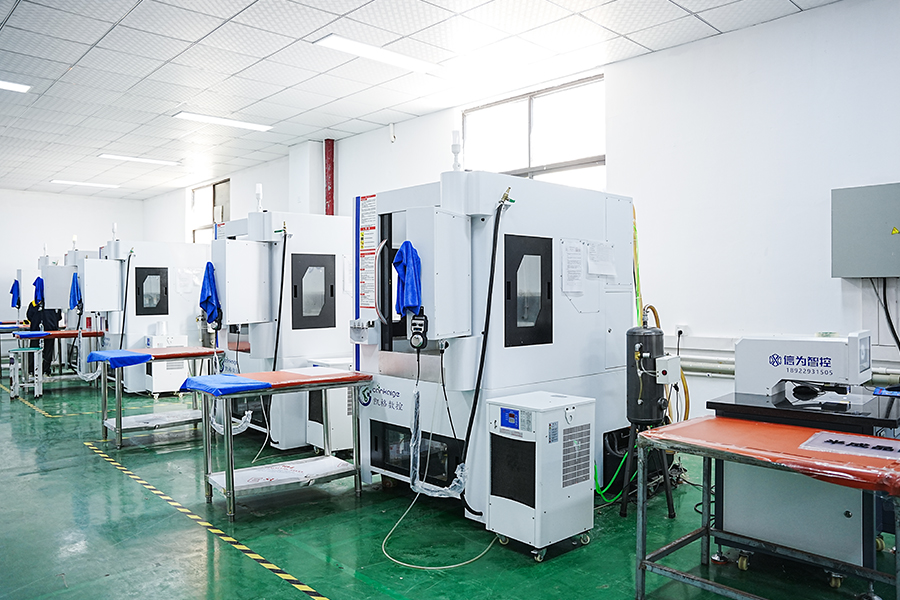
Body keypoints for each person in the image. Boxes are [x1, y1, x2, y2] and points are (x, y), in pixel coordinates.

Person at [25, 278, 61, 376]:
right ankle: (45, 370)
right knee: (48, 350)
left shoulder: (34, 304)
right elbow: (59, 317)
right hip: (50, 330)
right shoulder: (53, 304)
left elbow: (29, 316)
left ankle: (32, 370)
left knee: (34, 349)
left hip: (36, 331)